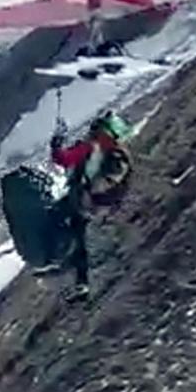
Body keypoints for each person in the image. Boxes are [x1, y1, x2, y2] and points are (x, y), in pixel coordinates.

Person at [49, 108, 134, 302]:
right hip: (101, 203)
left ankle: (83, 281)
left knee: (78, 238)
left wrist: (56, 146)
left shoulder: (92, 147)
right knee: (84, 240)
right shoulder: (117, 151)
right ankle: (85, 282)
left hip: (85, 201)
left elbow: (64, 159)